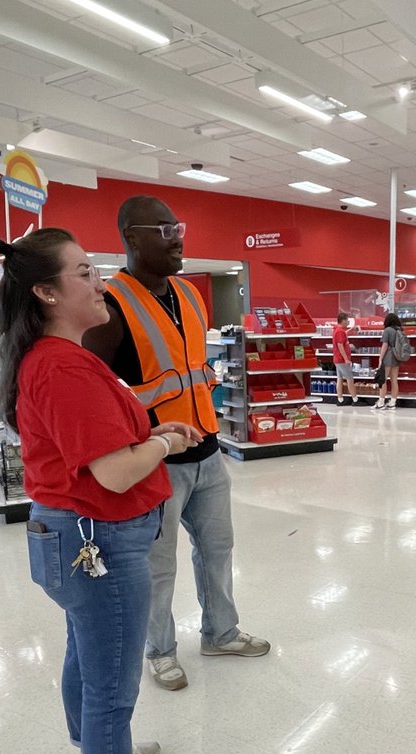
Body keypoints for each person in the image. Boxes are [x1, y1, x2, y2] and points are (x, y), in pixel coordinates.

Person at [0, 226, 203, 754]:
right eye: (83, 272)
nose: (99, 281)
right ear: (47, 293)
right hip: (100, 540)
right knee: (112, 679)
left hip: (77, 536)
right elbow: (113, 472)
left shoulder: (62, 361)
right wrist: (162, 442)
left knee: (86, 658)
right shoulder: (62, 367)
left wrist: (150, 426)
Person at [83, 195, 269, 692]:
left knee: (218, 550)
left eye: (178, 227)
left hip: (208, 450)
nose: (178, 238)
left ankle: (220, 633)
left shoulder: (189, 294)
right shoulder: (110, 305)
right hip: (154, 462)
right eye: (164, 230)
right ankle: (160, 652)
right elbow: (98, 393)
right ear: (131, 237)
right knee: (157, 567)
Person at [372, 312, 403, 410]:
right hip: (397, 356)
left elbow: (384, 345)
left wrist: (380, 358)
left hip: (388, 356)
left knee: (383, 380)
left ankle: (381, 402)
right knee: (394, 380)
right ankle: (393, 402)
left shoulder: (387, 330)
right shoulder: (400, 330)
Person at [331, 312, 358, 405]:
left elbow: (341, 341)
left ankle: (340, 399)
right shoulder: (340, 331)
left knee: (340, 378)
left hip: (337, 359)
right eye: (347, 320)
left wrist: (350, 331)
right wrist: (346, 358)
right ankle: (355, 400)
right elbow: (340, 345)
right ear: (343, 320)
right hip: (342, 360)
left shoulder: (337, 330)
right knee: (350, 379)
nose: (347, 322)